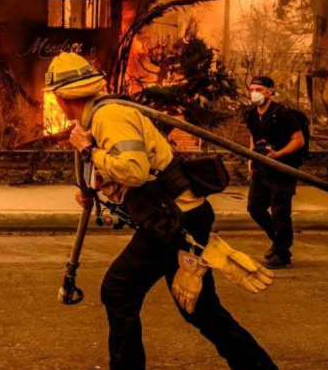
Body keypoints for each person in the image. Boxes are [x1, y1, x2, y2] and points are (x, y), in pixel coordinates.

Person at [45, 53, 277, 370]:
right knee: (199, 309)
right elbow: (126, 168)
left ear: (60, 97)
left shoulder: (108, 116)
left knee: (118, 289)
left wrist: (88, 150)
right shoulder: (100, 116)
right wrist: (94, 189)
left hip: (174, 220)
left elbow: (134, 171)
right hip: (180, 216)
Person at [244, 76, 305, 269]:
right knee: (255, 208)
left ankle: (283, 254)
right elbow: (254, 136)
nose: (255, 93)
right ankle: (278, 241)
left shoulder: (283, 113)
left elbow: (298, 140)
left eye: (259, 89)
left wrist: (277, 154)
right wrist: (251, 156)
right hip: (261, 169)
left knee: (280, 211)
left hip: (283, 168)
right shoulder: (252, 114)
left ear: (270, 91)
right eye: (252, 89)